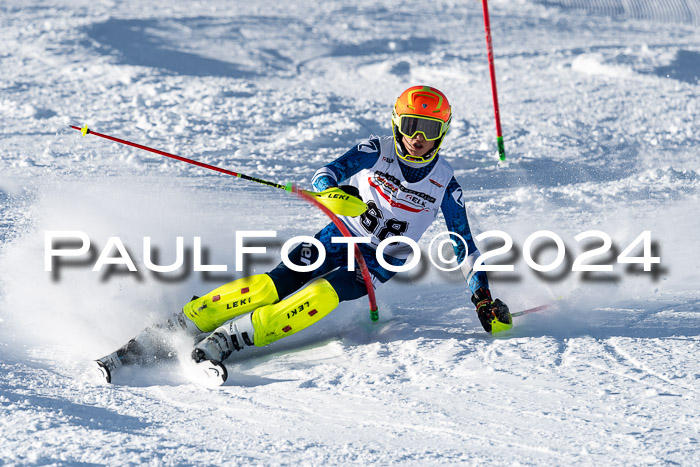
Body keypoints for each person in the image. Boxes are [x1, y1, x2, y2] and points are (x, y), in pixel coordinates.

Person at [95, 85, 511, 383]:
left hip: (375, 263)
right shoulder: (376, 149)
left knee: (319, 297)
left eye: (431, 130)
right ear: (397, 124)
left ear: (443, 132)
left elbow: (464, 245)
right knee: (265, 288)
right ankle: (176, 325)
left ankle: (228, 340)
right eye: (413, 126)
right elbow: (324, 174)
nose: (419, 139)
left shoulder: (445, 182)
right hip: (335, 237)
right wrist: (335, 195)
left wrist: (482, 298)